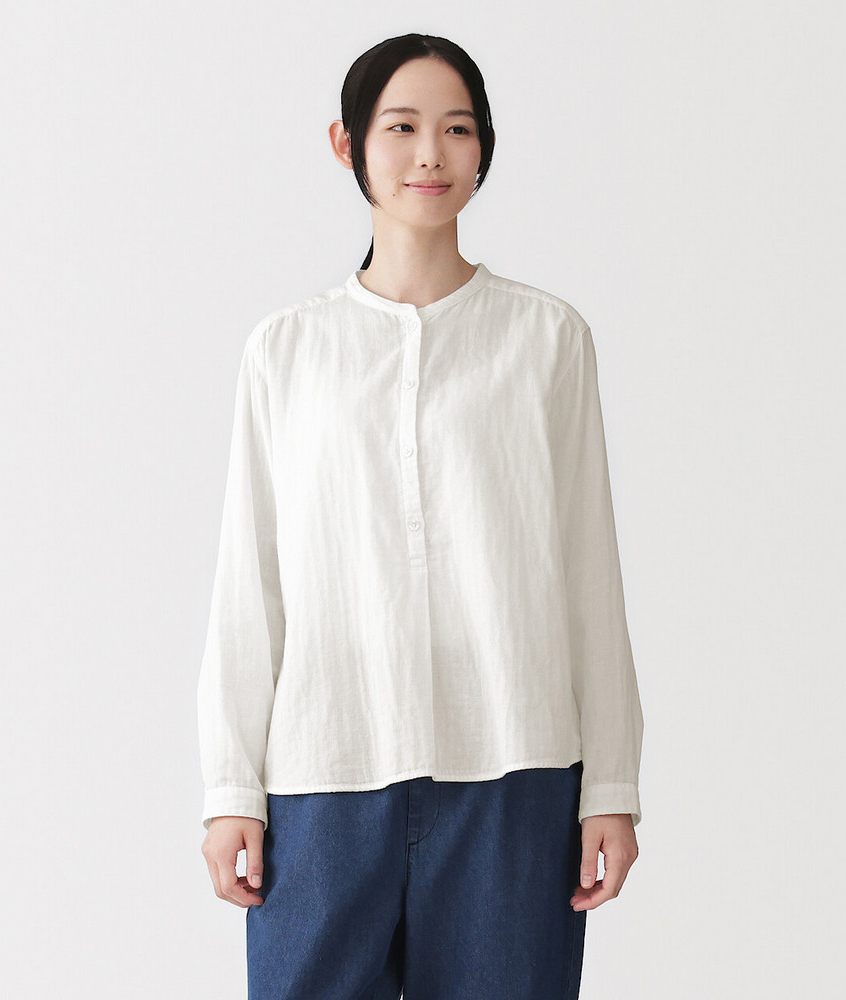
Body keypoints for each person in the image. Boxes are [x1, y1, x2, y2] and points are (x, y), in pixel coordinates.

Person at [197, 32, 644, 1000]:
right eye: (400, 128)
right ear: (346, 143)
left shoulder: (546, 339)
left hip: (515, 770)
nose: (430, 154)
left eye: (457, 129)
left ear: (484, 148)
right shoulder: (286, 351)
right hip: (323, 775)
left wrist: (610, 784)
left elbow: (588, 570)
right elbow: (249, 582)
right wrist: (231, 788)